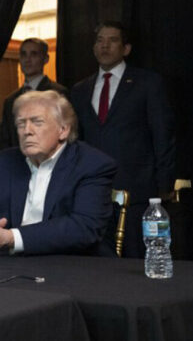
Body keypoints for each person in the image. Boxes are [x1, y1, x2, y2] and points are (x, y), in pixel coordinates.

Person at [0, 90, 117, 255]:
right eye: (21, 124)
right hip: (8, 262)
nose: (27, 131)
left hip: (72, 262)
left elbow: (83, 227)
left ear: (63, 130)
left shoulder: (92, 164)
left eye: (37, 122)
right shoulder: (1, 163)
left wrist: (12, 238)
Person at [70, 21, 175, 257]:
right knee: (97, 260)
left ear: (126, 49)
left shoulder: (147, 83)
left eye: (112, 40)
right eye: (99, 40)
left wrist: (164, 183)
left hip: (138, 189)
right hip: (94, 191)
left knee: (135, 258)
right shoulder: (80, 89)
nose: (104, 46)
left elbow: (162, 133)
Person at [0, 38, 67, 150]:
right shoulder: (10, 100)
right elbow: (5, 142)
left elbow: (66, 136)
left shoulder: (58, 93)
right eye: (23, 54)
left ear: (46, 59)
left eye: (34, 54)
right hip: (16, 159)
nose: (27, 59)